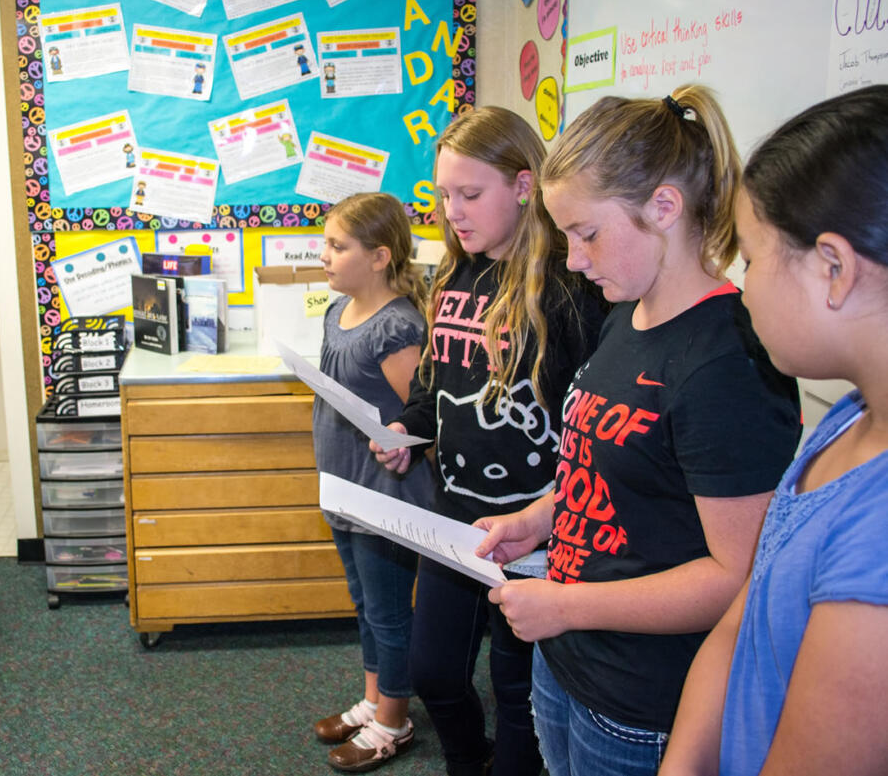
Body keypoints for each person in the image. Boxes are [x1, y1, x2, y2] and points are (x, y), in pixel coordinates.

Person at [474, 85, 801, 776]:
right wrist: (538, 518)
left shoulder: (727, 358)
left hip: (643, 703)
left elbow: (735, 575)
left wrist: (564, 605)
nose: (572, 259)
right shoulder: (628, 309)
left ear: (663, 206)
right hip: (570, 660)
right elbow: (607, 470)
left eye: (586, 233)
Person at [659, 85, 888, 776]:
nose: (745, 286)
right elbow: (743, 617)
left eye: (753, 259)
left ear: (834, 268)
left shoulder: (875, 536)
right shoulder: (847, 420)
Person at [373, 107, 607, 776]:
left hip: (536, 530)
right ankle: (466, 761)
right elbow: (431, 386)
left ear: (525, 185)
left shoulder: (572, 286)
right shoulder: (452, 276)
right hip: (455, 516)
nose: (453, 212)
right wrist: (406, 431)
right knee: (434, 671)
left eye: (469, 195)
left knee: (517, 691)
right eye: (444, 196)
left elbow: (592, 417)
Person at [311, 192, 434, 772]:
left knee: (388, 610)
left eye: (338, 245)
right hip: (342, 485)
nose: (325, 255)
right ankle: (373, 697)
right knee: (364, 604)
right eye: (326, 242)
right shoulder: (337, 313)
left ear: (380, 256)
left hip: (383, 494)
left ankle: (395, 719)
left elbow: (421, 419)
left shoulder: (397, 327)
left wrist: (403, 443)